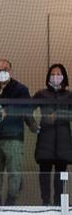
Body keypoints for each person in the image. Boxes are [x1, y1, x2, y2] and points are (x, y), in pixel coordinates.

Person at [0, 58, 33, 205]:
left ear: (10, 70)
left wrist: (8, 111)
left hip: (13, 137)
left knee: (14, 170)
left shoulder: (20, 89)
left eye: (5, 69)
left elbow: (26, 108)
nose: (1, 72)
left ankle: (11, 199)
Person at [32, 63, 72, 206]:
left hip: (63, 141)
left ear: (64, 77)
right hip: (45, 139)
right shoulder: (41, 94)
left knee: (61, 174)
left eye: (58, 74)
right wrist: (33, 125)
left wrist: (59, 115)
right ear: (48, 77)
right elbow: (26, 109)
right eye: (52, 74)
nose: (55, 77)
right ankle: (46, 202)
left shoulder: (69, 95)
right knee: (44, 173)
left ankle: (58, 203)